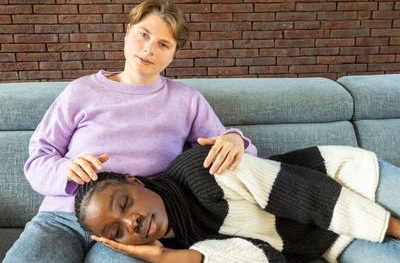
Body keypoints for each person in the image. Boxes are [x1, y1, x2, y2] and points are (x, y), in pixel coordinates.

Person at [4, 0, 256, 263]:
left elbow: (237, 154)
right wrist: (65, 170)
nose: (149, 49)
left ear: (173, 54)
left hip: (132, 230)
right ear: (127, 32)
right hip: (61, 218)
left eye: (163, 44)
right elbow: (38, 160)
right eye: (143, 34)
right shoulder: (81, 91)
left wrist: (234, 140)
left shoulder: (187, 100)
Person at [75, 145, 400, 263]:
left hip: (344, 179)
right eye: (116, 231)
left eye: (124, 204)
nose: (130, 222)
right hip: (325, 237)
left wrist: (394, 227)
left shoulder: (201, 169)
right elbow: (265, 258)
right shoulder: (183, 242)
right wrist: (164, 256)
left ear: (135, 181)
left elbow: (308, 195)